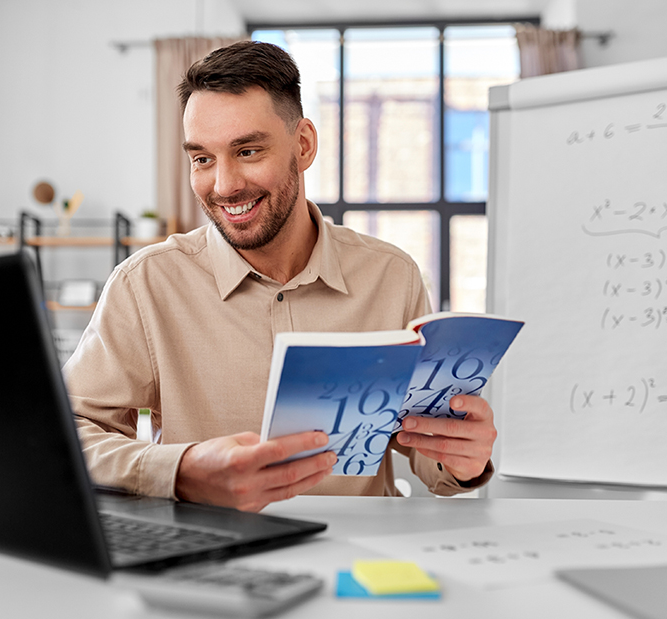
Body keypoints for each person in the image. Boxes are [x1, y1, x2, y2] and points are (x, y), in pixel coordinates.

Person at [63, 41, 496, 513]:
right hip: (219, 548)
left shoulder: (392, 276)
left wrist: (462, 461)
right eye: (202, 159)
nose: (224, 185)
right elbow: (67, 432)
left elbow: (425, 446)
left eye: (247, 150)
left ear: (304, 145)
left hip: (367, 551)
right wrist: (180, 470)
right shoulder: (146, 285)